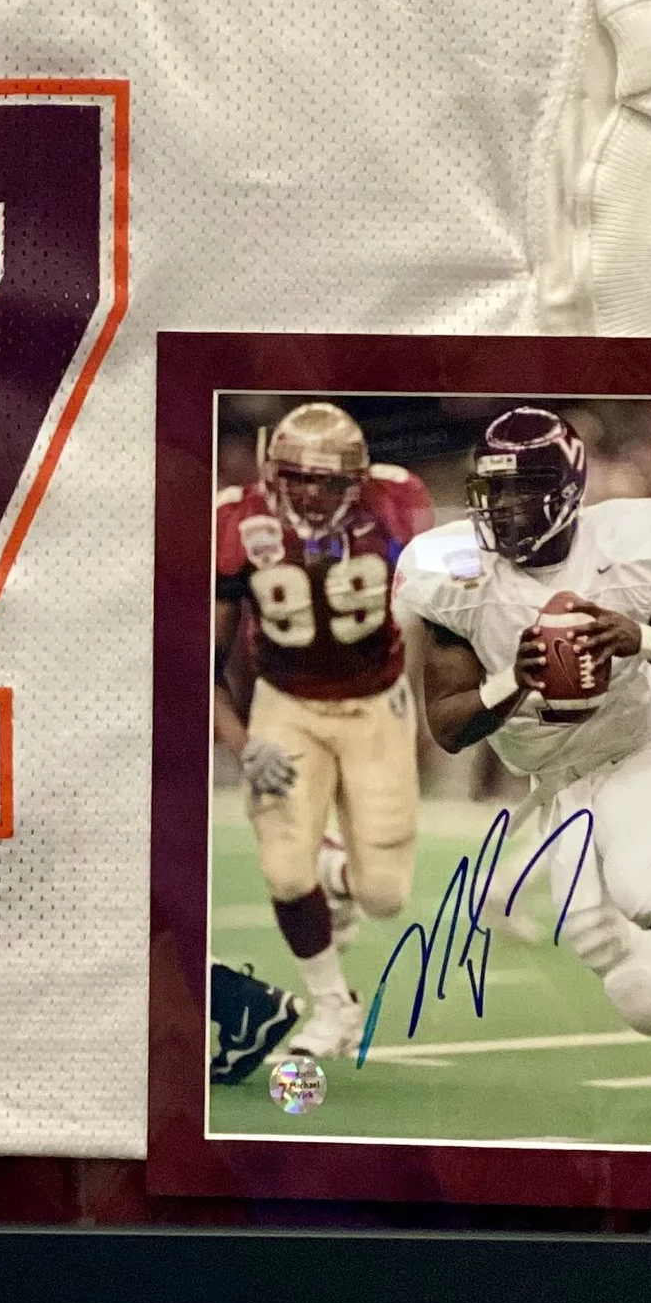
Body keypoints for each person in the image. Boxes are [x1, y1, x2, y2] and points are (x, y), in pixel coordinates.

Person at [394, 405, 651, 1147]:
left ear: (564, 493)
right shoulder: (455, 574)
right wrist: (510, 681)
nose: (501, 509)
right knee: (645, 998)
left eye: (520, 491)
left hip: (637, 753)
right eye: (491, 491)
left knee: (644, 887)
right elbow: (448, 727)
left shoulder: (627, 551)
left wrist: (641, 637)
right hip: (558, 790)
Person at [214, 403, 431, 1061]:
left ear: (357, 479)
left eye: (330, 481)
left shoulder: (397, 503)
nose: (311, 493)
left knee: (385, 896)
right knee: (284, 869)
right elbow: (200, 659)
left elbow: (442, 604)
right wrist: (243, 741)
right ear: (271, 472)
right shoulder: (235, 521)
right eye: (299, 478)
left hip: (376, 703)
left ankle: (335, 872)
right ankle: (334, 1006)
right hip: (286, 703)